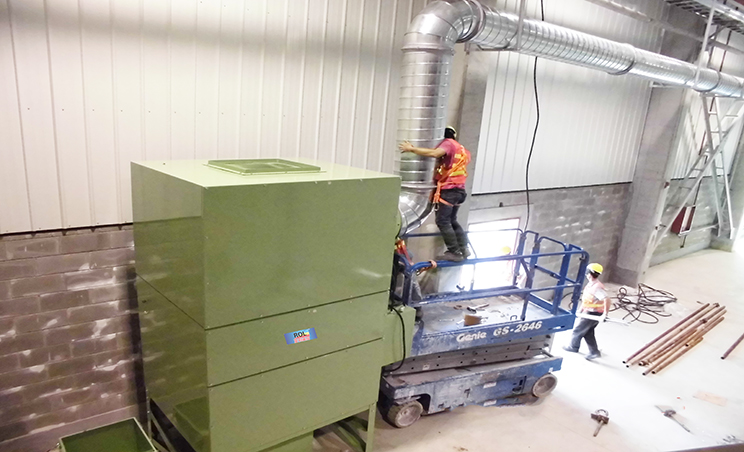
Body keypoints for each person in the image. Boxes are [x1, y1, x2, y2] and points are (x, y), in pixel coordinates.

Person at [399, 127, 471, 262]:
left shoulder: (448, 144)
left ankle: (454, 252)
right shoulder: (461, 149)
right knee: (452, 220)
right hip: (459, 190)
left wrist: (411, 149)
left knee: (443, 221)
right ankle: (464, 248)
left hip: (449, 190)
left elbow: (435, 153)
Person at [563, 263, 611, 360]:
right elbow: (587, 300)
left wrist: (605, 314)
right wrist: (580, 310)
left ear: (589, 274)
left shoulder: (597, 287)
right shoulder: (591, 285)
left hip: (593, 313)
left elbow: (607, 299)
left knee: (577, 330)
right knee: (588, 333)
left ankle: (573, 347)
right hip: (589, 311)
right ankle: (594, 352)